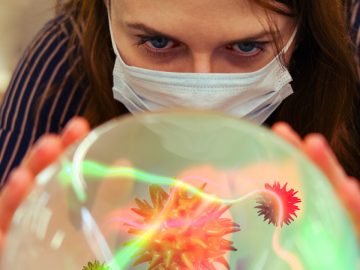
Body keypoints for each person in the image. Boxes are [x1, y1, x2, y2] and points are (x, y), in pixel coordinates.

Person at [0, 0, 360, 252]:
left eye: (247, 46)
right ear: (107, 10)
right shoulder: (58, 67)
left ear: (301, 29)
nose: (199, 101)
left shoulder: (350, 49)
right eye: (158, 43)